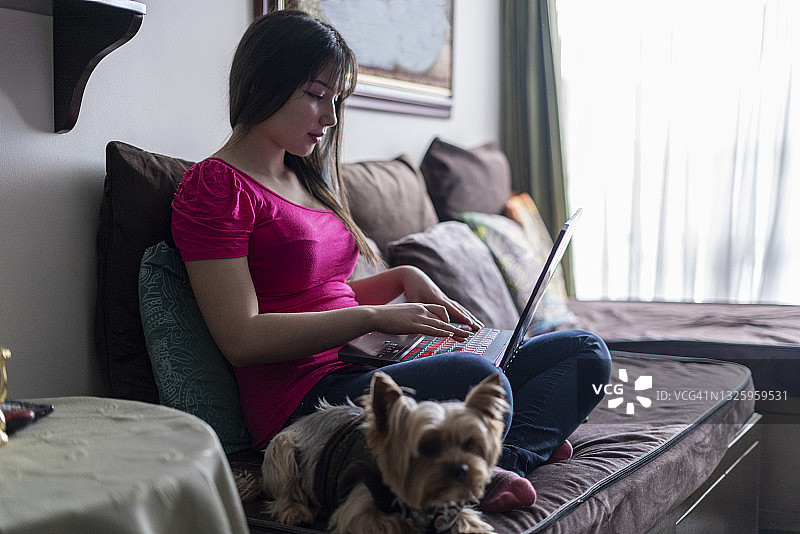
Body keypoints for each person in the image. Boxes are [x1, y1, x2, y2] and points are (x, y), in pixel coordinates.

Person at [172, 9, 611, 511]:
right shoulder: (215, 188)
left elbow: (320, 292)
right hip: (309, 399)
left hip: (366, 363)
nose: (331, 118)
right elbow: (241, 338)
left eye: (336, 100)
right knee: (478, 378)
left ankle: (500, 458)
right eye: (316, 96)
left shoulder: (308, 178)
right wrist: (376, 316)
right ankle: (496, 458)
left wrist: (405, 276)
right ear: (264, 83)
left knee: (584, 355)